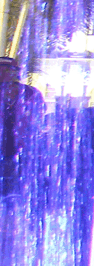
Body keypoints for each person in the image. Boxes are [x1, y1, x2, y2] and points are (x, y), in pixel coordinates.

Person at [0, 57, 44, 198]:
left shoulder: (30, 93)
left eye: (8, 70)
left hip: (22, 150)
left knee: (17, 191)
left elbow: (38, 118)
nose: (4, 73)